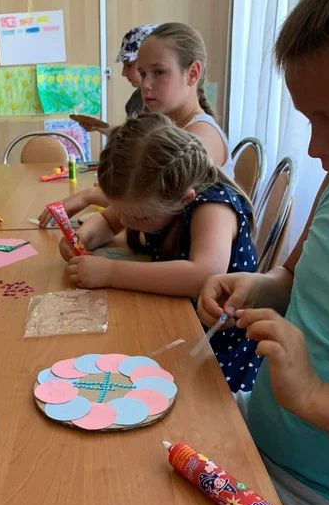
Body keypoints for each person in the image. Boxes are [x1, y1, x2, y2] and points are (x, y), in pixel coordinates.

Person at [198, 0, 329, 505]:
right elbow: (294, 280)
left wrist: (313, 396)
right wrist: (257, 285)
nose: (317, 148)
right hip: (255, 444)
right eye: (308, 119)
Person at [60, 113, 260, 391]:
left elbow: (202, 276)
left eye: (139, 219)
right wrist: (84, 238)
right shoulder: (153, 197)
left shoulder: (214, 206)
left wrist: (110, 272)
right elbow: (108, 220)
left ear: (184, 200)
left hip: (217, 345)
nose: (128, 223)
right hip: (175, 318)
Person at [38, 22, 232, 228]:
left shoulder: (202, 136)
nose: (146, 85)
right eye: (143, 73)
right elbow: (129, 210)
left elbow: (149, 199)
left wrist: (89, 196)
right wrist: (88, 234)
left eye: (158, 72)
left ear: (192, 74)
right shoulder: (163, 128)